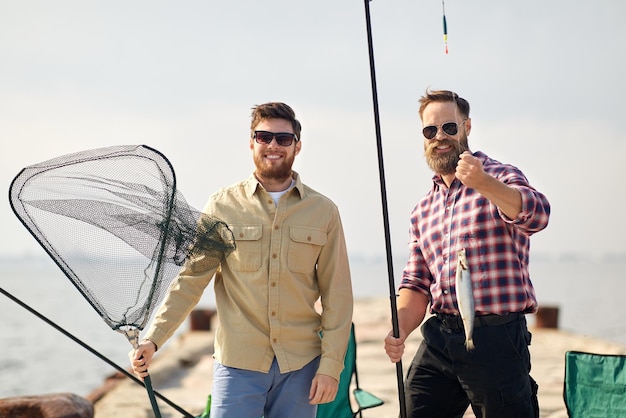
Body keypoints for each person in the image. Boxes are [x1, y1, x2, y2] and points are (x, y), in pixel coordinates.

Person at [131, 102, 354, 418]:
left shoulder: (324, 211)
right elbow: (191, 280)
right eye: (263, 137)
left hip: (301, 367)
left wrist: (330, 367)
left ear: (297, 146)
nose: (273, 145)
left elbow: (338, 297)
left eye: (283, 139)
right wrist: (154, 340)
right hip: (238, 364)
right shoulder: (222, 206)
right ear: (251, 142)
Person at [384, 89, 550, 418]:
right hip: (440, 338)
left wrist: (483, 182)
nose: (440, 137)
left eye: (449, 127)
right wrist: (399, 327)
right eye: (430, 131)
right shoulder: (422, 210)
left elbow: (538, 214)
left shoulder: (499, 175)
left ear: (467, 127)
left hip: (497, 338)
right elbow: (416, 282)